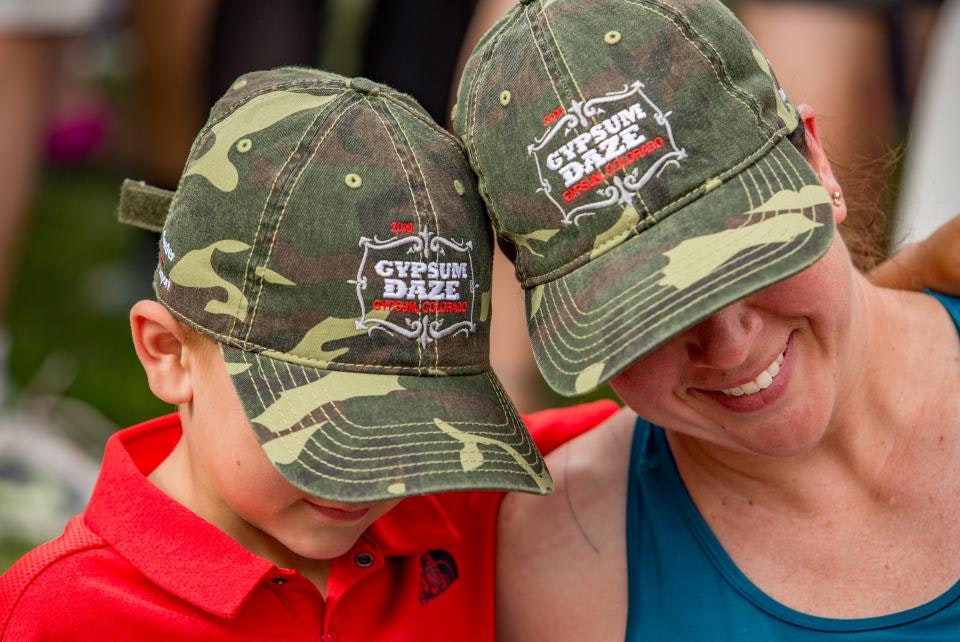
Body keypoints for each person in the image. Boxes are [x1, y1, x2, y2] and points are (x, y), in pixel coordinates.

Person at [0, 67, 587, 642]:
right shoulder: (64, 616)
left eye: (411, 429)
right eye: (323, 422)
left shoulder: (449, 510)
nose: (365, 478)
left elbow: (646, 436)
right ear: (170, 354)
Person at [452, 0, 960, 639]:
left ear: (817, 165)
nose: (727, 346)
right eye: (644, 313)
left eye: (748, 256)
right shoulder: (572, 553)